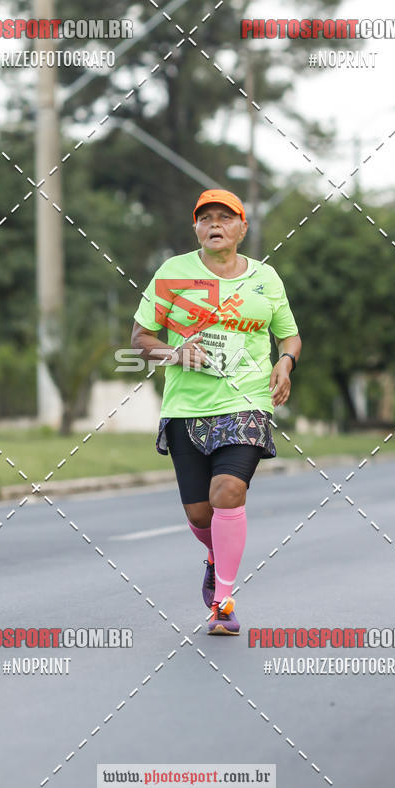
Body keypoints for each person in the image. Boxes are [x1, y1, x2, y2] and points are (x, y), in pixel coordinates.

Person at [131, 189, 301, 636]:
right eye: (206, 218)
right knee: (200, 514)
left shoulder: (265, 278)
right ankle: (214, 555)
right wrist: (175, 353)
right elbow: (140, 339)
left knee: (228, 490)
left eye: (225, 217)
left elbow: (289, 335)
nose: (215, 225)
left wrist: (286, 362)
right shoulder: (174, 273)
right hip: (186, 406)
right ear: (196, 229)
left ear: (243, 228)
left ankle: (223, 603)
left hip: (247, 401)